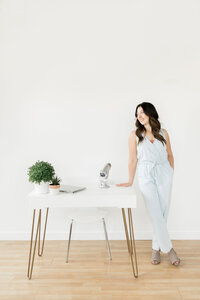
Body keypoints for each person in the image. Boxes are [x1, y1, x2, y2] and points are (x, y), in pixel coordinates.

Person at [116, 102, 180, 266]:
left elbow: (170, 155)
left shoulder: (163, 133)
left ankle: (155, 248)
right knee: (155, 213)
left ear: (151, 113)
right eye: (138, 113)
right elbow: (132, 159)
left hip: (164, 173)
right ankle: (170, 250)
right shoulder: (135, 135)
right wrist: (130, 180)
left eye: (143, 112)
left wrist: (170, 172)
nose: (140, 115)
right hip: (145, 176)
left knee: (163, 212)